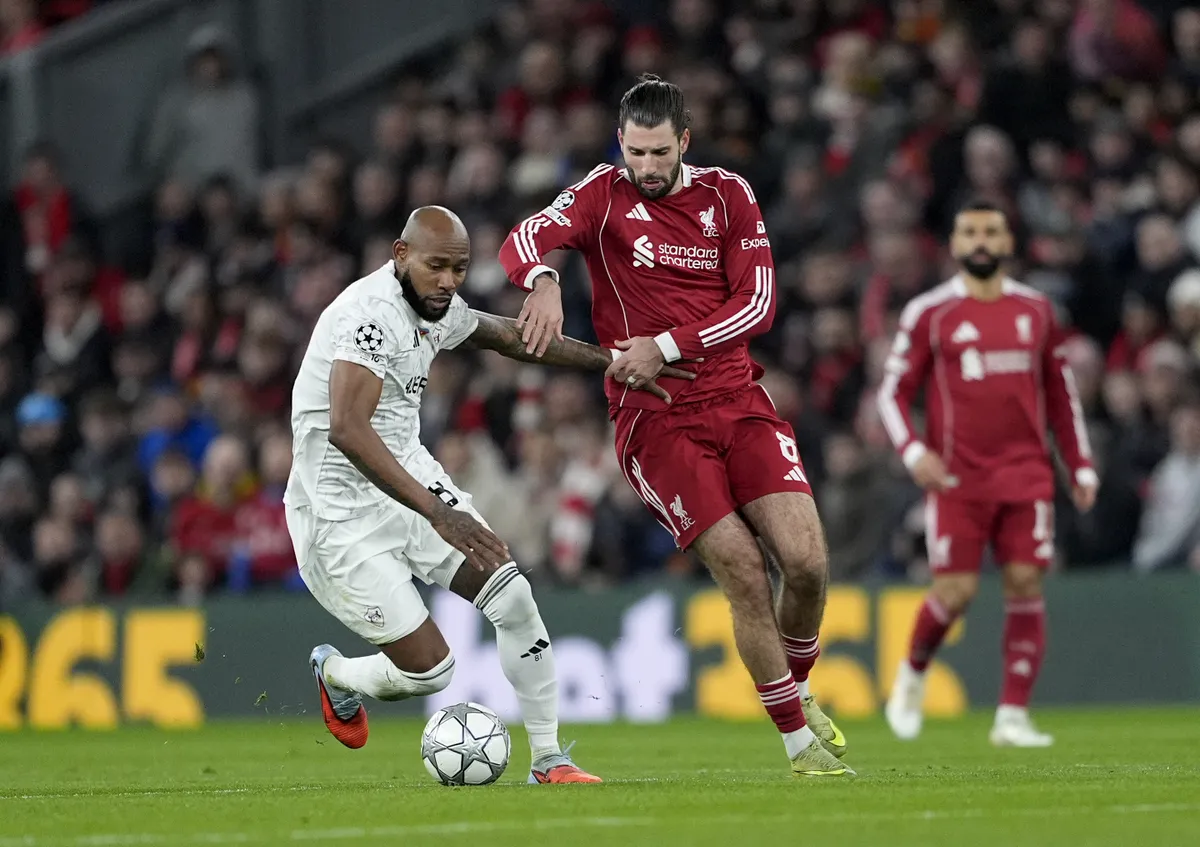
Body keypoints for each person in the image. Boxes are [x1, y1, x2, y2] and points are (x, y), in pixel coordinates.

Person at [499, 74, 852, 777]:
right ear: (621, 144)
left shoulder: (730, 195)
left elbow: (759, 306)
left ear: (684, 141)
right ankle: (798, 745)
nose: (648, 168)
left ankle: (800, 690)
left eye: (660, 153)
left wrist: (664, 345)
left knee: (807, 563)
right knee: (745, 570)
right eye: (636, 152)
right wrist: (542, 279)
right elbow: (525, 235)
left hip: (738, 401)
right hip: (654, 422)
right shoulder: (603, 193)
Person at [286, 206, 689, 784]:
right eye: (436, 266)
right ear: (401, 256)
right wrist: (440, 515)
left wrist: (612, 363)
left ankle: (550, 762)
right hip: (337, 511)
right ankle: (338, 674)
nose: (449, 281)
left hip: (410, 480)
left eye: (459, 268)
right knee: (432, 674)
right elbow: (349, 430)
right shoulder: (367, 317)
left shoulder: (436, 306)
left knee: (514, 599)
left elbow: (508, 338)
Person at [877, 199, 1098, 747]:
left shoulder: (1038, 311)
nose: (980, 241)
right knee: (954, 592)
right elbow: (892, 393)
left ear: (1006, 243)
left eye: (990, 232)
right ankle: (912, 674)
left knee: (1025, 581)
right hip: (957, 479)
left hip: (1026, 473)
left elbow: (1061, 396)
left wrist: (1081, 464)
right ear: (953, 244)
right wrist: (912, 452)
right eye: (969, 230)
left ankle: (1012, 716)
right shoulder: (930, 313)